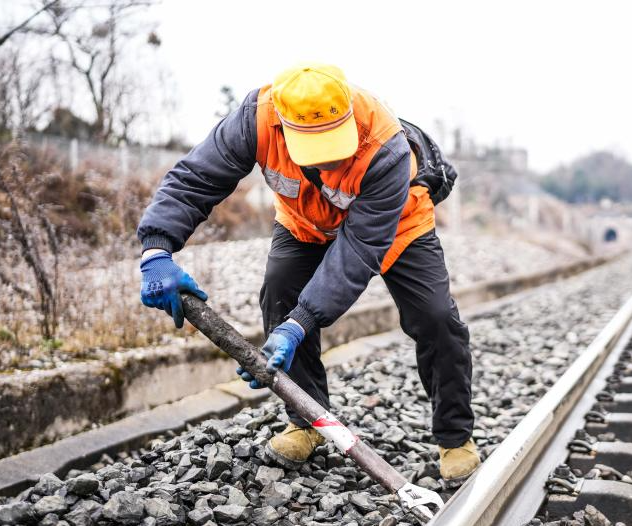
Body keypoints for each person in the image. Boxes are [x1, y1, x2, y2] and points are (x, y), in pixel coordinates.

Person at [136, 63, 479, 482]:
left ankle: (455, 437)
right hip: (304, 223)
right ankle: (308, 421)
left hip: (397, 227)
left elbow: (359, 249)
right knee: (279, 292)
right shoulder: (256, 118)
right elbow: (195, 179)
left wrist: (302, 321)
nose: (331, 159)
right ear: (284, 126)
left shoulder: (386, 146)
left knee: (436, 318)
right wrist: (156, 250)